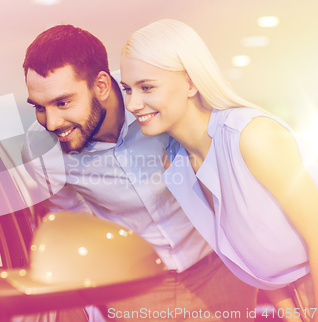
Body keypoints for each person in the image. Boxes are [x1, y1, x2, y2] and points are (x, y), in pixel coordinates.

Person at [21, 24, 257, 321]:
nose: (52, 122)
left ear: (102, 85)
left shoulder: (155, 102)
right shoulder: (41, 150)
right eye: (39, 108)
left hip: (220, 268)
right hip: (135, 288)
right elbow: (74, 224)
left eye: (63, 102)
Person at [120, 19, 318, 322]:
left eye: (146, 87)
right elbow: (248, 256)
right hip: (293, 299)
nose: (133, 104)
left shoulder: (251, 135)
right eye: (128, 89)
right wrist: (292, 314)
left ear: (190, 82)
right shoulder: (174, 164)